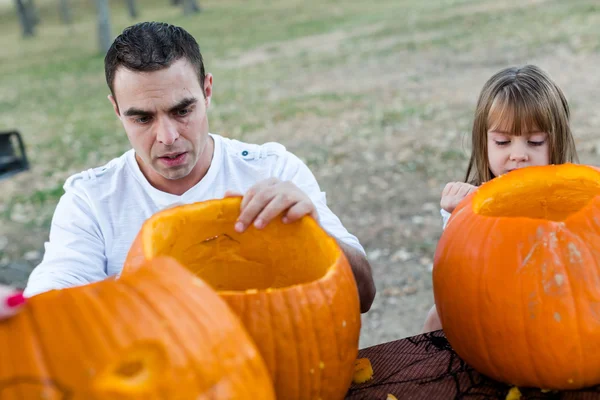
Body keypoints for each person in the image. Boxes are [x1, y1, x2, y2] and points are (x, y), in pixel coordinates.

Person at [23, 22, 376, 312]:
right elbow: (55, 291)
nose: (167, 136)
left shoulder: (272, 170)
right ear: (117, 110)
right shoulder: (91, 199)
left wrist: (315, 233)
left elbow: (363, 296)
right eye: (142, 118)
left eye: (182, 110)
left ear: (207, 91)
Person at [422, 64, 579, 333]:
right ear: (484, 142)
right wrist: (457, 217)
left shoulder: (573, 200)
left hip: (555, 308)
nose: (518, 155)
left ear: (558, 141)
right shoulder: (472, 200)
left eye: (536, 142)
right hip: (492, 309)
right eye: (503, 142)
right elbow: (457, 277)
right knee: (436, 316)